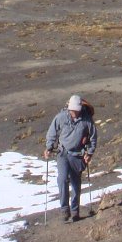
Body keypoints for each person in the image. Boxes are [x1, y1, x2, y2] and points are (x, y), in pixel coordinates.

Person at [44, 93, 97, 222]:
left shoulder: (87, 120)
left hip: (78, 155)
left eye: (75, 111)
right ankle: (64, 210)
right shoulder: (61, 117)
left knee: (75, 185)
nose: (73, 113)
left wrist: (89, 153)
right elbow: (52, 132)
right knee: (62, 180)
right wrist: (49, 147)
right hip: (63, 153)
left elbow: (93, 137)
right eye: (72, 110)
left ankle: (75, 211)